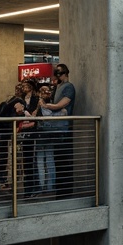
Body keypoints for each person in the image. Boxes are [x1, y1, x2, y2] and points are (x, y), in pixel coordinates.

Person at [39, 65, 75, 198]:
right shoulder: (58, 88)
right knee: (58, 162)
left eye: (59, 74)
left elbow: (61, 105)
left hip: (63, 129)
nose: (57, 77)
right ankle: (61, 192)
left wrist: (46, 105)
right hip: (57, 127)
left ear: (65, 74)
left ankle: (65, 192)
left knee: (64, 162)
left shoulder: (69, 87)